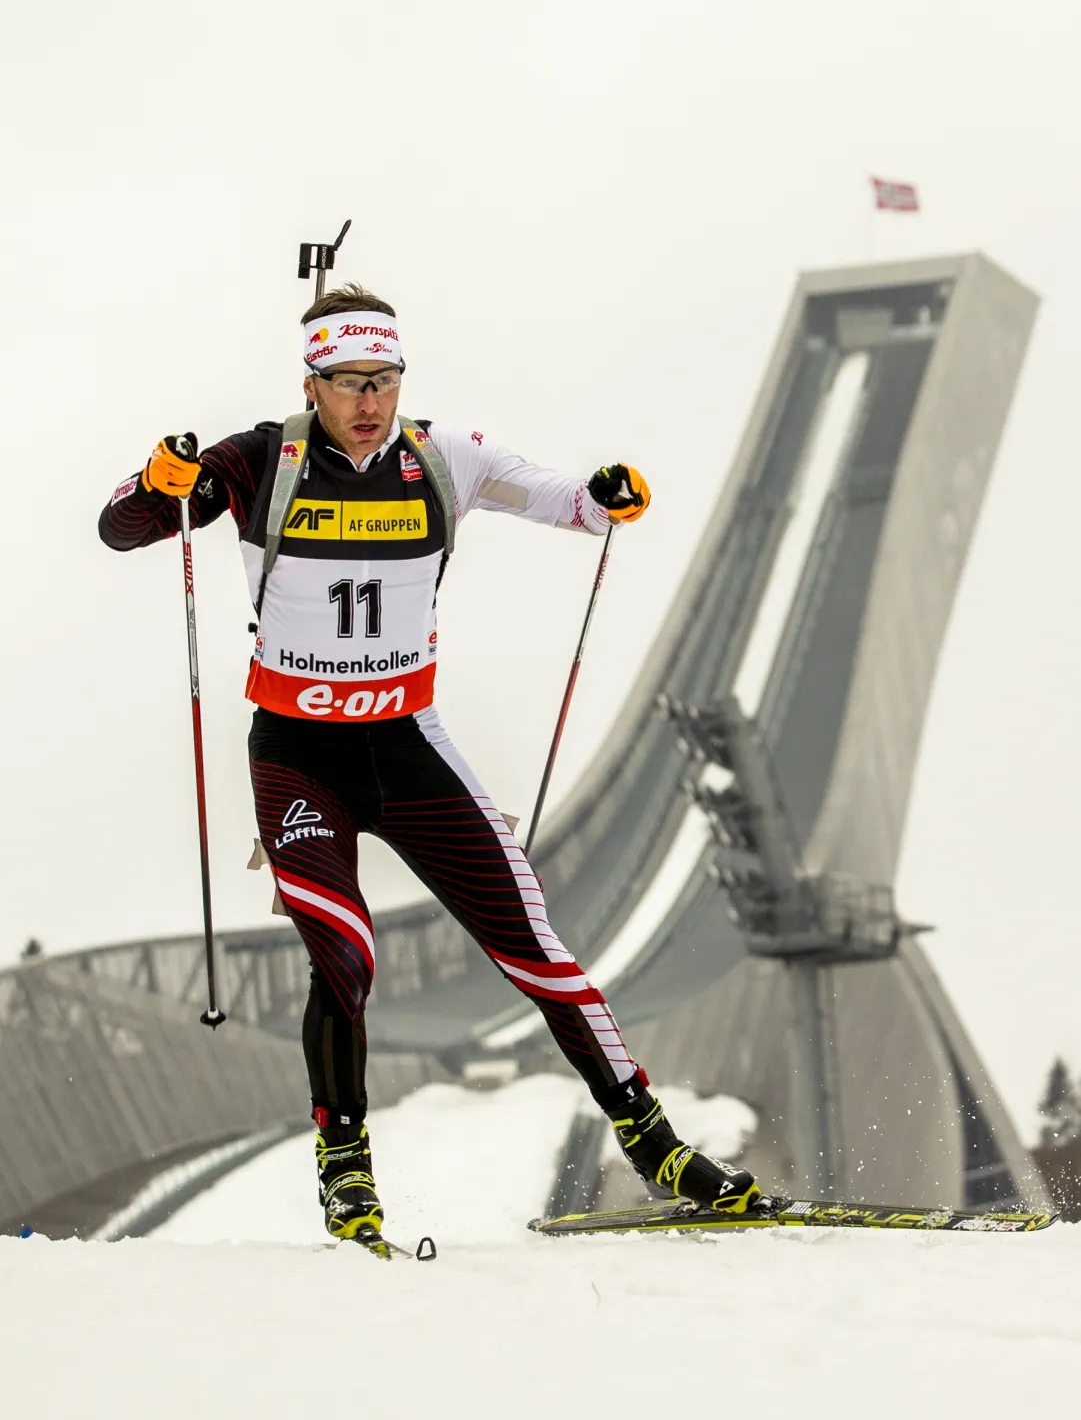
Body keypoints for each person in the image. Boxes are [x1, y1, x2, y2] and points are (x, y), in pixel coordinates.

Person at [99, 284, 760, 1244]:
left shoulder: (442, 458)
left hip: (408, 748)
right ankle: (346, 1167)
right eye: (347, 382)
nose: (369, 399)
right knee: (346, 955)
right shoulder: (259, 459)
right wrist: (156, 482)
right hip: (298, 756)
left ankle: (654, 1143)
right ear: (312, 383)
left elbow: (572, 502)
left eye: (384, 379)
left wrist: (609, 491)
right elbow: (124, 529)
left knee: (539, 951)